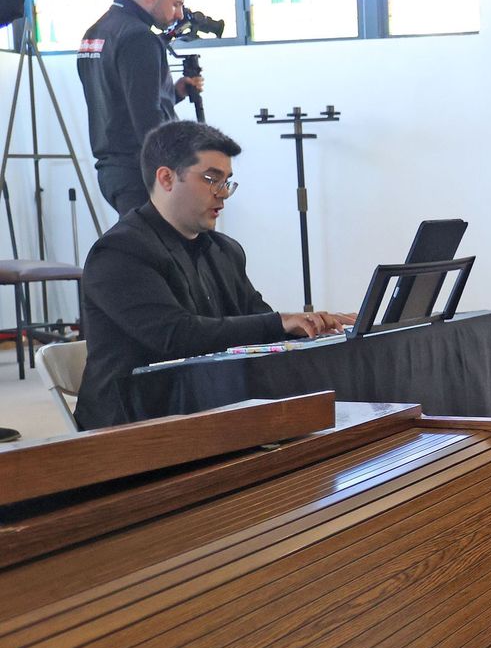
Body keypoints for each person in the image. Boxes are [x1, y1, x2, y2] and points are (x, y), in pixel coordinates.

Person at [76, 121, 350, 431]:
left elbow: (256, 324)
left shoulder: (225, 250)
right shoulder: (119, 252)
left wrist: (313, 329)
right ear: (166, 178)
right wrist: (277, 323)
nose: (223, 194)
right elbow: (175, 337)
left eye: (227, 181)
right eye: (211, 179)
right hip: (132, 426)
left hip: (202, 407)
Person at [78, 0, 206, 217]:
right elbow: (148, 120)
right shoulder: (139, 38)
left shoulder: (95, 33)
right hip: (141, 174)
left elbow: (117, 97)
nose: (179, 14)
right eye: (176, 4)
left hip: (112, 172)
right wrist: (176, 172)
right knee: (155, 254)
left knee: (137, 250)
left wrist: (174, 93)